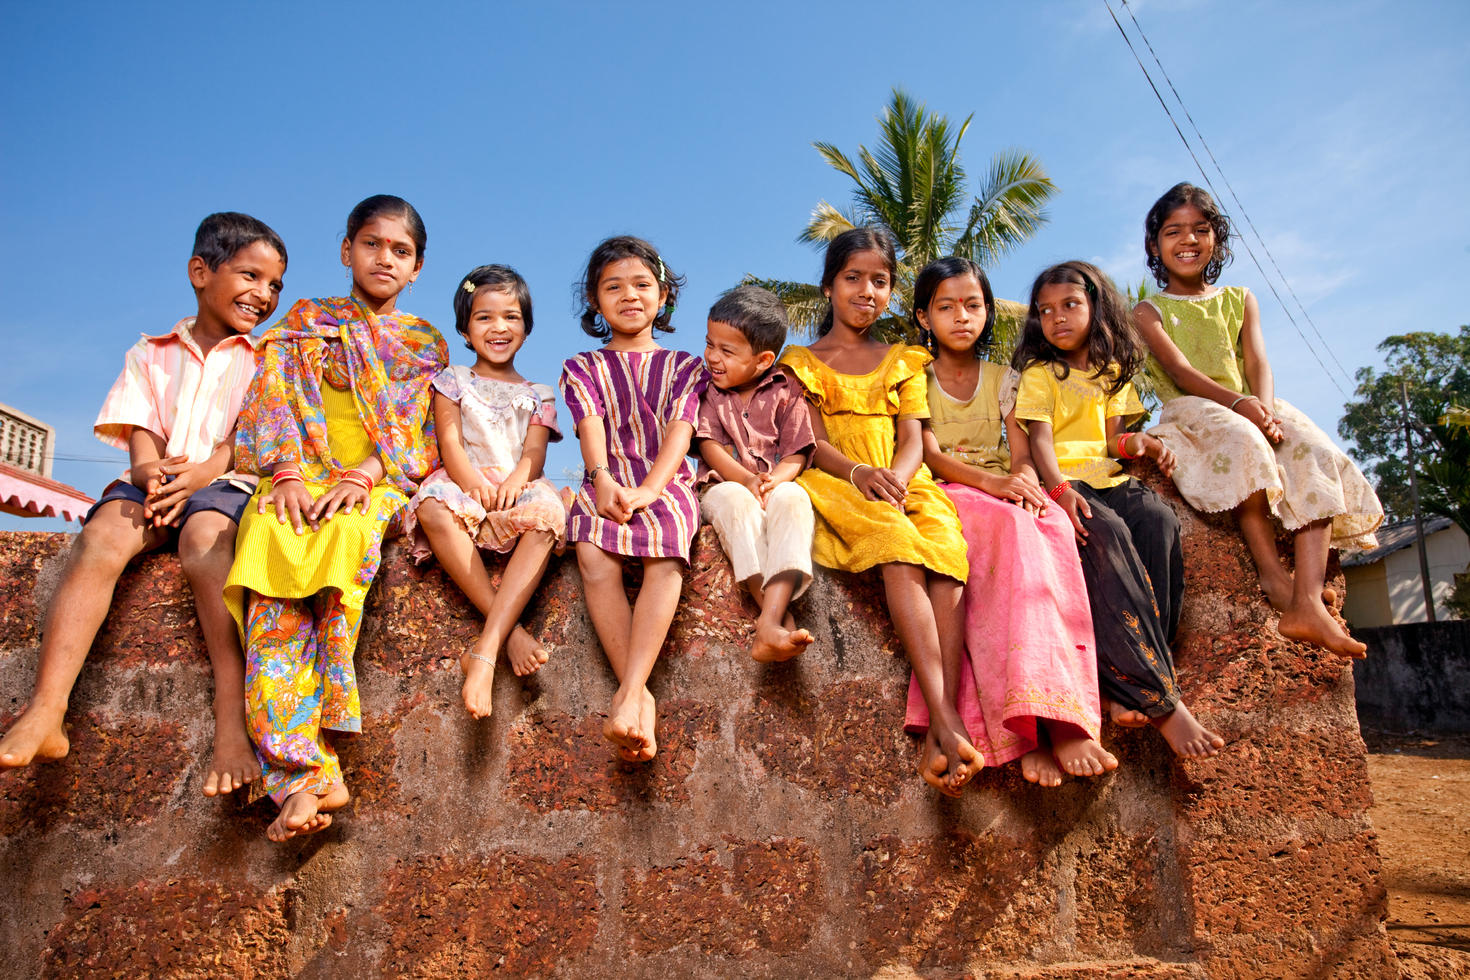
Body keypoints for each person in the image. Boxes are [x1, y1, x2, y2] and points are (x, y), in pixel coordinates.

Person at [0, 212, 286, 800]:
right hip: (156, 481)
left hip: (224, 484)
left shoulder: (268, 360)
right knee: (103, 538)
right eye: (251, 275)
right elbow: (139, 431)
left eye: (275, 285)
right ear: (200, 272)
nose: (264, 294)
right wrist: (152, 476)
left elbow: (254, 440)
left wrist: (202, 473)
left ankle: (231, 721)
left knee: (206, 547)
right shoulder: (151, 352)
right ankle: (46, 708)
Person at [224, 195, 447, 842]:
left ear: (417, 268)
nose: (385, 259)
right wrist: (288, 475)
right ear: (347, 250)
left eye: (400, 251)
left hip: (375, 480)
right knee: (267, 533)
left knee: (346, 543)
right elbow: (271, 401)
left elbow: (421, 432)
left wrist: (363, 477)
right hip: (300, 475)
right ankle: (304, 776)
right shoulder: (304, 322)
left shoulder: (421, 342)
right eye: (372, 244)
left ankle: (315, 765)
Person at [1134, 182, 1381, 657]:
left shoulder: (1240, 298)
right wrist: (1241, 408)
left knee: (1312, 448)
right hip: (1194, 407)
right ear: (1154, 245)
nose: (1188, 240)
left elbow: (1258, 363)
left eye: (1201, 230)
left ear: (1216, 240)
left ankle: (1306, 598)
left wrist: (1264, 408)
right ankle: (1272, 574)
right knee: (1244, 443)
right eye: (1173, 232)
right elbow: (1182, 372)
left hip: (1250, 401)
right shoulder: (1147, 311)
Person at [778, 227, 980, 796]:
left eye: (881, 280)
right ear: (828, 287)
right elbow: (810, 440)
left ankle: (945, 714)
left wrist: (899, 473)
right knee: (896, 546)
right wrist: (860, 474)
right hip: (840, 478)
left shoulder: (903, 360)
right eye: (853, 278)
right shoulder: (802, 361)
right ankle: (945, 718)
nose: (867, 290)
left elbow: (914, 436)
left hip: (901, 474)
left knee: (945, 550)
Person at [904, 257, 1115, 786]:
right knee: (1013, 532)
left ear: (989, 312)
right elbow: (928, 455)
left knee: (1054, 527)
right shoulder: (912, 374)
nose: (961, 317)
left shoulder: (1005, 378)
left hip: (1001, 488)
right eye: (946, 307)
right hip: (950, 491)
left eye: (973, 306)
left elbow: (1020, 453)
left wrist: (1022, 482)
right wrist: (994, 485)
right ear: (924, 317)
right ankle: (1023, 733)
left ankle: (1058, 714)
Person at [1012, 260, 1224, 760]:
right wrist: (1060, 488)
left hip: (1111, 476)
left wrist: (1143, 443)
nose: (1057, 318)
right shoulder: (1040, 374)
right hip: (1067, 480)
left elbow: (1114, 441)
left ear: (1095, 307)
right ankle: (1163, 703)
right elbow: (1039, 440)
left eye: (1069, 305)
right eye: (1045, 311)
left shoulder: (1111, 374)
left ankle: (1133, 685)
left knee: (1159, 522)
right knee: (1103, 534)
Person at [559, 236, 705, 762]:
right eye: (612, 287)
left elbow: (681, 433)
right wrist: (601, 480)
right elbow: (589, 425)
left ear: (662, 296)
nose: (629, 296)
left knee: (667, 549)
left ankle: (628, 694)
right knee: (593, 550)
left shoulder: (686, 366)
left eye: (642, 285)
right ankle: (638, 696)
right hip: (609, 475)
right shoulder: (582, 366)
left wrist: (650, 489)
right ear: (596, 302)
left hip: (663, 479)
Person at [402, 265, 566, 718]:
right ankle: (507, 635)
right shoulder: (452, 380)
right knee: (434, 507)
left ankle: (485, 647)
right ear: (465, 329)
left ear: (527, 328)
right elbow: (450, 440)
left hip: (516, 483)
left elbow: (534, 452)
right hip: (464, 479)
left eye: (511, 317)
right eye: (484, 318)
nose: (499, 327)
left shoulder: (538, 393)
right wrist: (470, 482)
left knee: (549, 517)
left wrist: (515, 483)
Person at [694, 285, 816, 663]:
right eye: (710, 344)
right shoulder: (707, 391)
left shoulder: (786, 388)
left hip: (773, 481)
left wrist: (777, 479)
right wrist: (745, 480)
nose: (713, 357)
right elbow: (709, 446)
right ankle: (775, 618)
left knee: (795, 500)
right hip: (723, 484)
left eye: (726, 351)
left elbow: (797, 449)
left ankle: (768, 622)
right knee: (737, 504)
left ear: (763, 360)